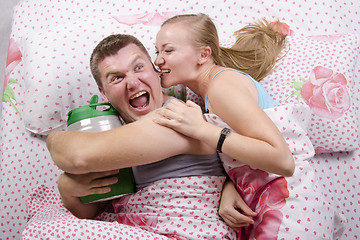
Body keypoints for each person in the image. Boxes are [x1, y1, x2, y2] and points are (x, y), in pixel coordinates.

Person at [51, 33, 253, 239]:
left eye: (138, 68)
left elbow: (78, 155)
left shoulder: (176, 117)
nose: (132, 83)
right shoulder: (114, 136)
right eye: (117, 78)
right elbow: (89, 212)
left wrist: (53, 138)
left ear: (156, 71)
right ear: (103, 94)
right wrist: (68, 191)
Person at [152, 14, 295, 235]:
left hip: (292, 208)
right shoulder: (211, 94)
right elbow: (244, 148)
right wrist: (229, 185)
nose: (158, 61)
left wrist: (202, 129)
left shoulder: (222, 87)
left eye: (168, 51)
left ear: (203, 54)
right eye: (157, 52)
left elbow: (283, 161)